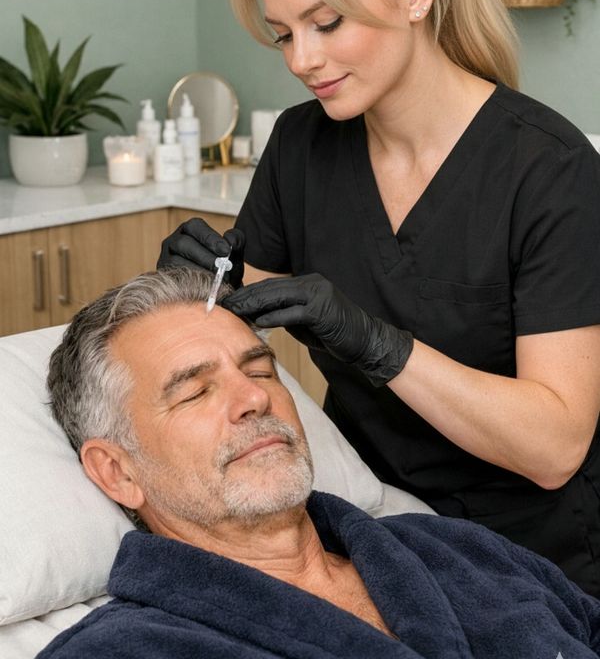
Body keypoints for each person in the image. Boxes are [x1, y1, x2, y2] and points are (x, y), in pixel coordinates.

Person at [158, 0, 600, 595]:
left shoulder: (548, 170)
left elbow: (554, 446)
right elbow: (248, 331)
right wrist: (196, 286)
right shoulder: (302, 146)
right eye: (284, 34)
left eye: (327, 23)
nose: (303, 60)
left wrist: (380, 345)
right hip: (368, 528)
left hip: (530, 560)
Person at [39, 267, 600, 658]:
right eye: (195, 393)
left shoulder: (456, 550)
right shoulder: (122, 650)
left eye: (259, 371)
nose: (255, 399)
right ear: (117, 471)